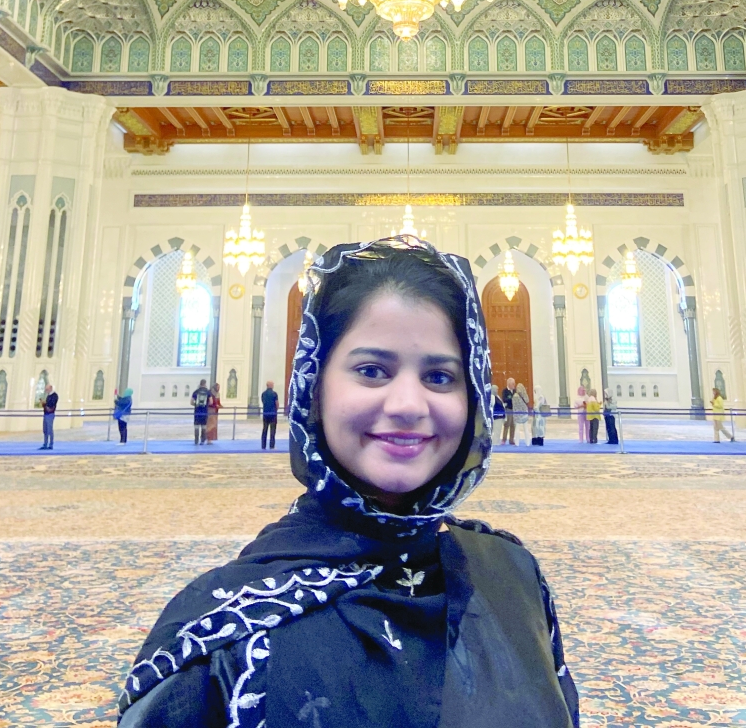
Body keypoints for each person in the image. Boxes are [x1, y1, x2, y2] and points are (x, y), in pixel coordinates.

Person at [118, 237, 580, 728]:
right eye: (372, 370)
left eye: (440, 377)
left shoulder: (513, 579)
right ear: (314, 388)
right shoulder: (223, 639)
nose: (407, 404)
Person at [39, 384, 58, 450]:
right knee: (45, 430)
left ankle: (51, 444)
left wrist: (45, 404)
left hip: (50, 414)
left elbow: (51, 405)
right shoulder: (48, 396)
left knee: (50, 430)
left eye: (47, 389)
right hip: (46, 414)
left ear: (50, 388)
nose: (46, 390)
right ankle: (45, 444)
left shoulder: (54, 396)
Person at [191, 380, 209, 446]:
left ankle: (196, 441)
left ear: (200, 383)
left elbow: (191, 402)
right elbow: (211, 402)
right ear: (205, 384)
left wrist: (196, 405)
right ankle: (202, 441)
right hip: (204, 412)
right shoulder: (207, 392)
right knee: (204, 427)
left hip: (197, 412)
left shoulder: (195, 392)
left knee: (196, 427)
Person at [261, 379, 278, 449]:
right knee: (273, 430)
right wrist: (275, 409)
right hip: (273, 414)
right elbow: (277, 403)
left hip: (265, 414)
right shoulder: (274, 394)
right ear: (271, 386)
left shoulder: (263, 394)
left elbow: (263, 402)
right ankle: (272, 445)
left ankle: (263, 445)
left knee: (265, 429)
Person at [514, 380, 531, 447]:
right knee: (526, 429)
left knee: (517, 429)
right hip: (524, 413)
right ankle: (528, 443)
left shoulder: (515, 396)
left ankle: (517, 443)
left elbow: (514, 405)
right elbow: (527, 401)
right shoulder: (525, 395)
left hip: (517, 413)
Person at [500, 375, 516, 445]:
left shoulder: (515, 391)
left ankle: (511, 439)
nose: (514, 385)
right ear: (509, 384)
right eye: (513, 384)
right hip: (508, 410)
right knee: (507, 425)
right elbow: (504, 399)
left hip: (514, 410)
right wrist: (512, 399)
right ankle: (504, 439)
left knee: (513, 425)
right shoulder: (505, 391)